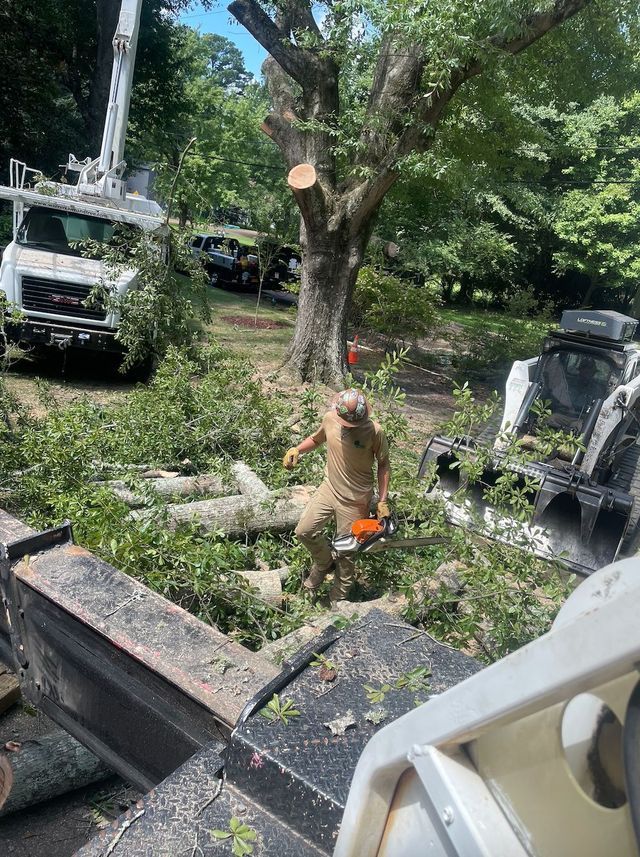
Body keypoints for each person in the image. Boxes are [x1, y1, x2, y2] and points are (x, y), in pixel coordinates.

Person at [282, 389, 391, 606]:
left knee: (346, 551)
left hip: (356, 499)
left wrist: (382, 500)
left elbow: (384, 465)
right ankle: (323, 563)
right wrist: (297, 449)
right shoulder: (330, 418)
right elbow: (317, 439)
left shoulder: (375, 432)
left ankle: (336, 601)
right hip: (329, 488)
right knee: (304, 531)